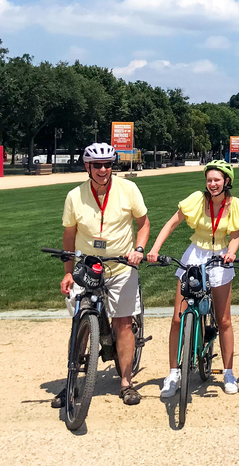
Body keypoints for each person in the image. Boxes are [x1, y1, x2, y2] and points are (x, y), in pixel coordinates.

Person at [55, 142, 150, 407]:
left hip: (121, 266)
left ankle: (126, 383)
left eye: (108, 164)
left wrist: (139, 249)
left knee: (123, 324)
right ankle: (73, 381)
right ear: (87, 167)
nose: (103, 169)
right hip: (87, 267)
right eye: (97, 165)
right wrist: (67, 273)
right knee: (80, 322)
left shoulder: (128, 189)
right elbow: (69, 235)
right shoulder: (75, 196)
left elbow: (143, 224)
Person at [147, 160, 239, 396]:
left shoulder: (235, 204)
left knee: (223, 320)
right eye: (209, 180)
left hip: (221, 256)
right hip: (195, 254)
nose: (212, 184)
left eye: (217, 180)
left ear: (227, 182)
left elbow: (235, 235)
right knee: (177, 318)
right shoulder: (197, 199)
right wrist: (154, 249)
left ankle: (228, 372)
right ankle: (173, 373)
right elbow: (172, 224)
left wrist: (232, 253)